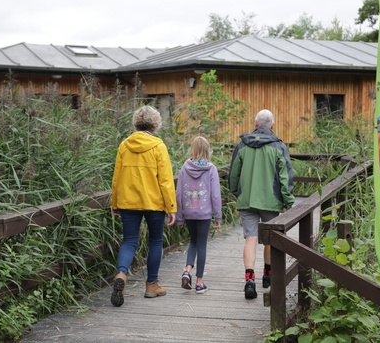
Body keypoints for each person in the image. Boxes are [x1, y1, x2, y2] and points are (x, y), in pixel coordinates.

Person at [110, 105, 177, 307]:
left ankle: (121, 273)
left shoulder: (124, 145)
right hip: (153, 202)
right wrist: (171, 207)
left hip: (128, 202)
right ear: (155, 124)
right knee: (155, 241)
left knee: (129, 241)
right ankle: (151, 286)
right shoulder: (158, 146)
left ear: (136, 123)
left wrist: (115, 202)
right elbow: (165, 180)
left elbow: (117, 177)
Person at [228, 109, 294, 299]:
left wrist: (237, 192)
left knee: (251, 238)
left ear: (256, 123)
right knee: (269, 239)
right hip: (271, 201)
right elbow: (285, 176)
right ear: (272, 125)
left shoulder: (242, 144)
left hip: (247, 200)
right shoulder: (278, 146)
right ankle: (268, 275)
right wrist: (288, 201)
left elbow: (234, 174)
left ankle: (249, 279)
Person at [176, 136, 222, 294]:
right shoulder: (211, 169)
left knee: (193, 242)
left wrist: (179, 217)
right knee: (202, 244)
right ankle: (199, 282)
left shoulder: (184, 168)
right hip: (204, 213)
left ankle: (187, 270)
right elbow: (215, 195)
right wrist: (218, 216)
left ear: (192, 149)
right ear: (207, 149)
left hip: (189, 213)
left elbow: (179, 194)